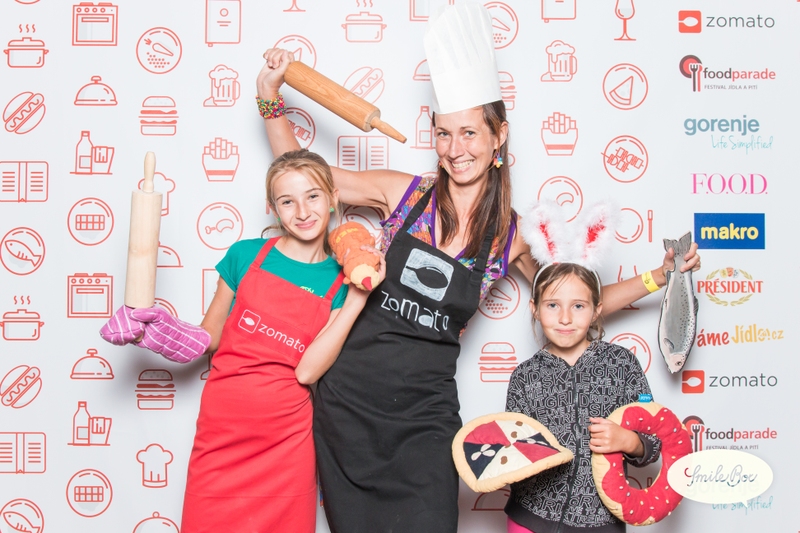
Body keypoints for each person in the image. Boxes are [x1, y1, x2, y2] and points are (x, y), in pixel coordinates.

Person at [256, 4, 698, 531]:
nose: (454, 148)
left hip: (424, 414)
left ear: (498, 136)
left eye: (469, 133)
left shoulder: (513, 236)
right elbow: (302, 179)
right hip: (347, 402)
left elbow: (579, 298)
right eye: (444, 134)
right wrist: (269, 98)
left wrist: (659, 275)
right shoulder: (403, 195)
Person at [99, 149, 385, 533]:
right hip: (223, 430)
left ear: (334, 197)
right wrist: (155, 331)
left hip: (286, 441)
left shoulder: (342, 279)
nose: (302, 211)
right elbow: (210, 336)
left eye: (313, 196)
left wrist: (357, 299)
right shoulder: (246, 255)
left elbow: (308, 371)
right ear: (273, 208)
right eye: (287, 201)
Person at [504, 262, 658, 533]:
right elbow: (513, 449)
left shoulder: (621, 364)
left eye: (578, 306)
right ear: (535, 309)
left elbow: (654, 441)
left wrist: (629, 440)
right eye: (553, 305)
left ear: (596, 310)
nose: (565, 318)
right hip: (531, 517)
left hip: (602, 520)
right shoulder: (524, 376)